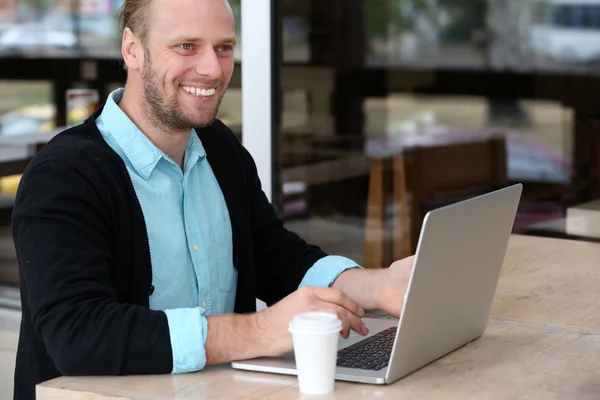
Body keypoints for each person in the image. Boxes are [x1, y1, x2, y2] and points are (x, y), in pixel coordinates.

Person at [11, 0, 414, 398]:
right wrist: (259, 330)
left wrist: (380, 286)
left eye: (224, 48)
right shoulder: (64, 175)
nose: (213, 69)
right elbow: (79, 334)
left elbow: (275, 256)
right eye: (187, 46)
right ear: (132, 49)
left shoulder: (218, 147)